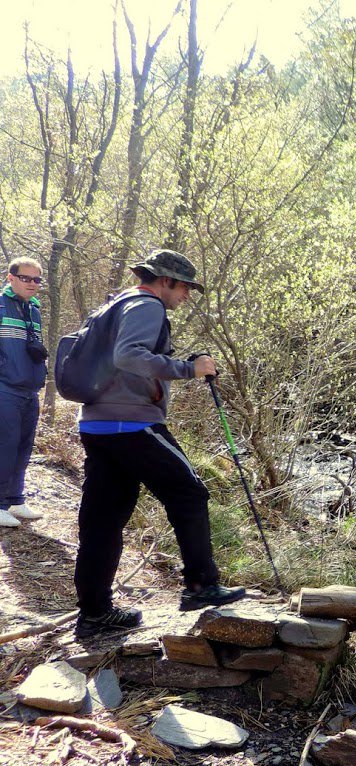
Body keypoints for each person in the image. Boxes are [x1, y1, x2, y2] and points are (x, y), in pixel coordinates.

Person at [73, 249, 245, 637]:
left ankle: (95, 612)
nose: (187, 295)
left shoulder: (115, 304)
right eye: (185, 287)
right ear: (165, 280)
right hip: (133, 424)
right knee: (189, 493)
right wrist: (188, 369)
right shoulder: (147, 305)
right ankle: (201, 585)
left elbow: (123, 357)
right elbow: (128, 356)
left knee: (103, 519)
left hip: (97, 424)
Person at [0, 258, 49, 528]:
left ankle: (15, 499)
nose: (32, 283)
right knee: (4, 445)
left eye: (36, 279)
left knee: (23, 446)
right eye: (25, 278)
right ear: (11, 278)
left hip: (30, 389)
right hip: (5, 387)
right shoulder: (1, 305)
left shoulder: (34, 310)